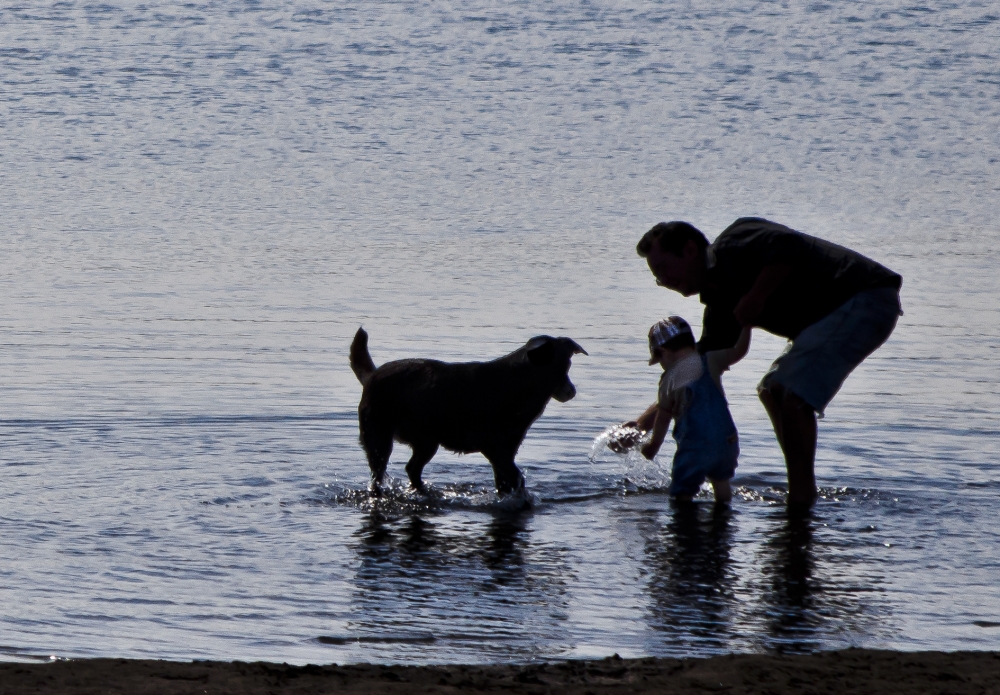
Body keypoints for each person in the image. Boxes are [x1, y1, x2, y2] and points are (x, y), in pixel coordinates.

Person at [636, 217, 902, 512]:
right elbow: (692, 371)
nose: (664, 282)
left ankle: (801, 500)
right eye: (657, 278)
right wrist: (643, 423)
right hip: (841, 315)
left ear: (688, 250)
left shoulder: (736, 241)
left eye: (663, 269)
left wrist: (756, 296)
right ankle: (800, 492)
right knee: (771, 389)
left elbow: (789, 246)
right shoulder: (719, 303)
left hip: (864, 296)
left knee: (791, 392)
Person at [621, 316, 751, 504]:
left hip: (694, 446)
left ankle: (684, 522)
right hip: (727, 441)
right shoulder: (711, 360)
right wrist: (747, 326)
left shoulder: (668, 380)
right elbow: (739, 351)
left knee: (682, 493)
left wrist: (652, 446)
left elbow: (663, 418)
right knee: (721, 482)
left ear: (663, 352)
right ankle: (723, 517)